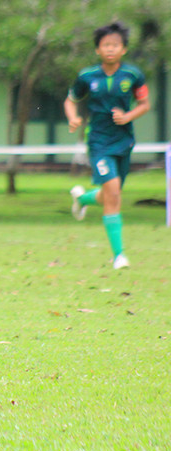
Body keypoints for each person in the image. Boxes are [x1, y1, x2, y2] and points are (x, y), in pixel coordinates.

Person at [64, 21, 149, 270]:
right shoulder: (87, 76)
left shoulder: (133, 75)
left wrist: (128, 116)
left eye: (115, 45)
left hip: (124, 140)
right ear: (98, 50)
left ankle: (82, 199)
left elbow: (144, 104)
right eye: (105, 45)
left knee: (111, 194)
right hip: (98, 140)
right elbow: (70, 100)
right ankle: (119, 255)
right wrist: (73, 118)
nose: (110, 49)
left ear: (123, 49)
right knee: (113, 192)